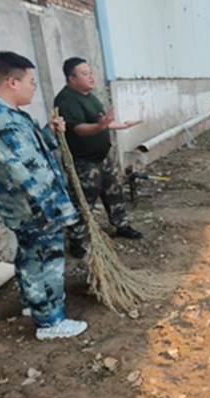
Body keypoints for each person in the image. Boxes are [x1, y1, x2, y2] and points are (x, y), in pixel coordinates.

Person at [0, 52, 87, 339]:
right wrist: (61, 208)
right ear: (12, 82)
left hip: (24, 207)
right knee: (46, 260)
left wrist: (47, 133)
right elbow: (29, 173)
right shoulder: (0, 120)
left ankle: (33, 305)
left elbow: (27, 154)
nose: (33, 89)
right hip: (35, 207)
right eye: (31, 83)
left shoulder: (2, 114)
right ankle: (51, 321)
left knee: (29, 256)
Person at [54, 57, 143, 259]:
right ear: (72, 78)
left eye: (91, 72)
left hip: (103, 158)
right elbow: (80, 130)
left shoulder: (89, 97)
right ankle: (77, 240)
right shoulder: (67, 100)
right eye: (85, 73)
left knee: (114, 191)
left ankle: (121, 224)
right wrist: (101, 126)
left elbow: (102, 122)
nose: (91, 76)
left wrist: (123, 125)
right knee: (84, 201)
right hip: (84, 163)